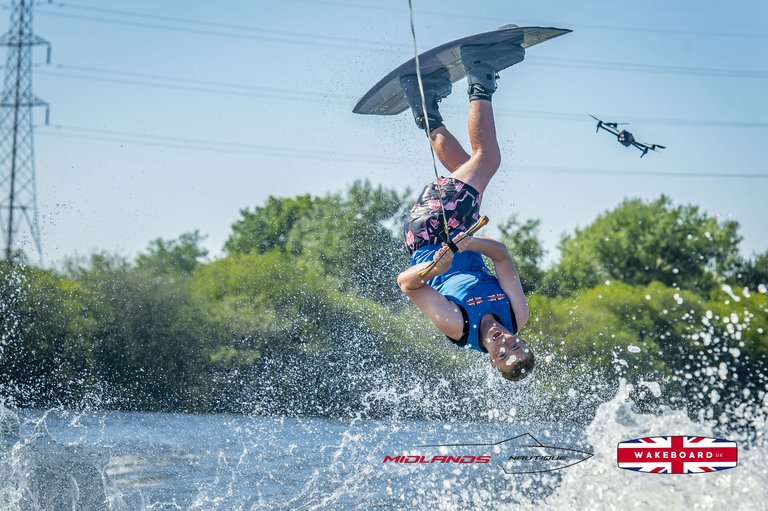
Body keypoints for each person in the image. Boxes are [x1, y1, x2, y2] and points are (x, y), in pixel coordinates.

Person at [397, 41, 534, 381]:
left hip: (428, 232)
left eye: (503, 355)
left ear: (492, 361)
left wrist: (432, 268)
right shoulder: (517, 314)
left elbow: (407, 285)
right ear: (523, 340)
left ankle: (480, 70)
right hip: (458, 228)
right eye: (517, 346)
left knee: (487, 159)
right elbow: (501, 256)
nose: (507, 344)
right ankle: (423, 99)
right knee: (467, 165)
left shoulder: (457, 324)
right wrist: (469, 244)